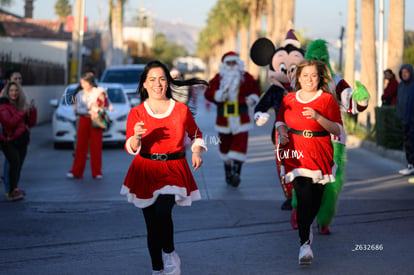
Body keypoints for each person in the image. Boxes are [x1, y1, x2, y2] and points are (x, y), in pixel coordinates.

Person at [120, 60, 208, 275]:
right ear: (144, 85)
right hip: (145, 169)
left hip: (173, 168)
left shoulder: (180, 109)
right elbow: (131, 145)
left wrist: (196, 151)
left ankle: (169, 256)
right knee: (151, 224)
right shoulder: (137, 113)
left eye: (162, 79)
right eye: (152, 79)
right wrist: (137, 137)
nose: (157, 84)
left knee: (162, 212)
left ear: (168, 82)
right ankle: (157, 269)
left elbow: (196, 134)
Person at [275, 59, 343, 265]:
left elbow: (337, 129)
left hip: (320, 152)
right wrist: (283, 133)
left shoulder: (327, 100)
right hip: (295, 153)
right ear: (298, 78)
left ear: (319, 77)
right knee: (303, 197)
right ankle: (304, 245)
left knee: (314, 201)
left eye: (314, 75)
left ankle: (307, 227)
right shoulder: (289, 99)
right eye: (305, 75)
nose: (309, 79)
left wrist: (317, 117)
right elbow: (280, 121)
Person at [250, 29, 305, 210]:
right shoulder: (275, 90)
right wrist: (260, 115)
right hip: (281, 136)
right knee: (283, 166)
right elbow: (260, 106)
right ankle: (290, 196)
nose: (288, 73)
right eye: (284, 68)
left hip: (305, 135)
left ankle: (305, 194)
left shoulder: (306, 90)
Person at [204, 51, 260, 187]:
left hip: (241, 118)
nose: (231, 65)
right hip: (224, 119)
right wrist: (219, 95)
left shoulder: (246, 77)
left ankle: (236, 174)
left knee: (240, 146)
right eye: (228, 63)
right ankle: (228, 172)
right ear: (224, 64)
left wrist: (252, 99)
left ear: (238, 63)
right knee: (225, 147)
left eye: (233, 62)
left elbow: (255, 90)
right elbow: (208, 92)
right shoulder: (218, 78)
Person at [67, 73, 109, 179]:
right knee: (80, 145)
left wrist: (99, 105)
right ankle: (76, 171)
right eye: (81, 82)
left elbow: (105, 104)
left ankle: (97, 172)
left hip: (95, 119)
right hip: (84, 119)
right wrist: (88, 109)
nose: (82, 85)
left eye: (84, 82)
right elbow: (78, 109)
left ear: (90, 83)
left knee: (96, 146)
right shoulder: (79, 94)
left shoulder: (98, 92)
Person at [0, 82, 37, 201]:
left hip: (22, 139)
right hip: (9, 140)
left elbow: (30, 123)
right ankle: (10, 191)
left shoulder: (22, 104)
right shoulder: (3, 106)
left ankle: (15, 189)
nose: (14, 93)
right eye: (11, 90)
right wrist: (22, 112)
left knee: (18, 165)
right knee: (14, 163)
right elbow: (9, 122)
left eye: (16, 90)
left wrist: (32, 111)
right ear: (7, 92)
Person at [397, 64, 414, 176]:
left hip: (412, 120)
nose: (404, 75)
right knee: (407, 143)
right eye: (402, 73)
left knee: (412, 143)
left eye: (406, 72)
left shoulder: (413, 85)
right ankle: (410, 165)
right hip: (404, 120)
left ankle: (412, 165)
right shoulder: (401, 85)